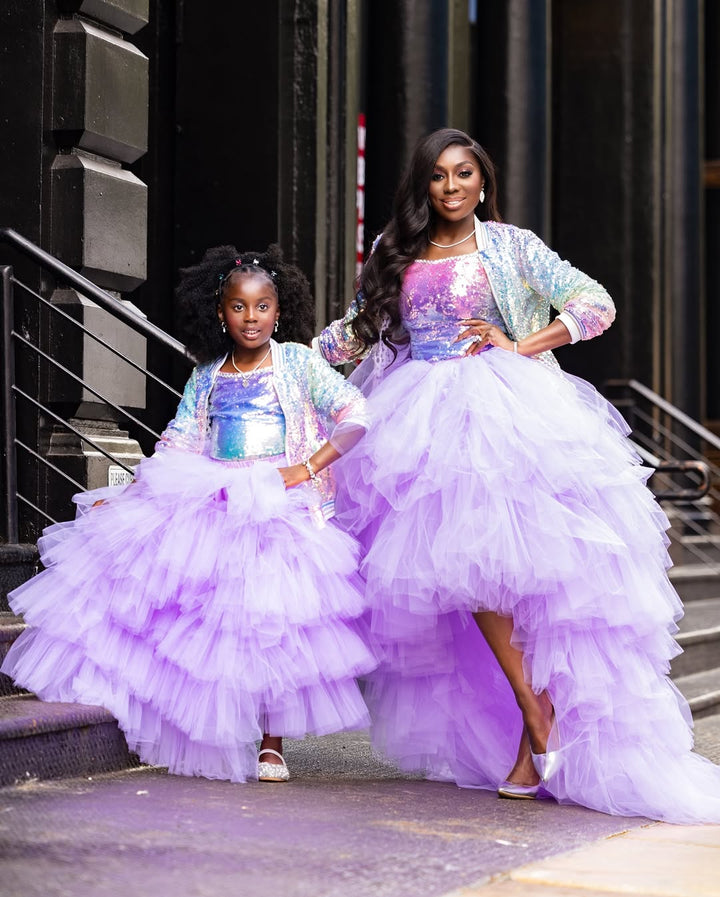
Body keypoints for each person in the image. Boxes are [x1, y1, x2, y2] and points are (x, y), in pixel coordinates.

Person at [315, 127, 720, 822]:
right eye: (438, 175)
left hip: (509, 412)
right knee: (466, 570)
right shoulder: (396, 251)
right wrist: (286, 357)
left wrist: (521, 341)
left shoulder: (512, 245)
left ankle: (539, 726)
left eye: (464, 173)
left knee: (529, 576)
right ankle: (535, 711)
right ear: (424, 184)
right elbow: (356, 330)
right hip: (421, 420)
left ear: (482, 179)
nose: (451, 187)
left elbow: (595, 303)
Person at [2, 244, 375, 784]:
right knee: (210, 619)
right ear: (219, 312)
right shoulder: (206, 374)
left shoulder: (297, 362)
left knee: (272, 621)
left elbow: (355, 413)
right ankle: (218, 721)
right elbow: (179, 441)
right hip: (215, 494)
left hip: (277, 500)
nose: (252, 318)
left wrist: (307, 467)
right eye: (239, 307)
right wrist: (136, 489)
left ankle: (272, 741)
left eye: (264, 306)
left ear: (280, 309)